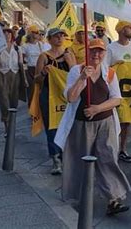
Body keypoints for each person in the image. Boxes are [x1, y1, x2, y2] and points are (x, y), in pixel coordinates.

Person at [55, 38, 131, 216]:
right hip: (81, 125)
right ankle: (76, 197)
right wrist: (82, 79)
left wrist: (97, 108)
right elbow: (71, 98)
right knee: (78, 161)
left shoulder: (110, 73)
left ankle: (114, 199)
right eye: (93, 51)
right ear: (87, 52)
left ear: (104, 53)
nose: (96, 54)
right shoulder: (76, 70)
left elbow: (116, 99)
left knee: (108, 159)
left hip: (105, 123)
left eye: (100, 51)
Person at [35, 28, 76, 175]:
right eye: (56, 36)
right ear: (50, 39)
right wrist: (43, 72)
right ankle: (56, 158)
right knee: (52, 126)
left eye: (62, 36)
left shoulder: (69, 54)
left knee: (68, 125)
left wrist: (69, 62)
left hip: (66, 94)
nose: (60, 39)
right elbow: (36, 79)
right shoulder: (44, 56)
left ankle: (67, 155)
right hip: (49, 95)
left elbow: (75, 74)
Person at [105, 21, 131, 163]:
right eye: (129, 27)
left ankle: (122, 149)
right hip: (114, 91)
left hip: (130, 91)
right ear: (121, 29)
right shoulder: (110, 48)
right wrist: (115, 66)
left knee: (126, 121)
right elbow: (104, 68)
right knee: (113, 120)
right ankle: (111, 148)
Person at [0, 25, 23, 134]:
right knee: (4, 102)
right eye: (4, 34)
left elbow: (20, 63)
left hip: (15, 75)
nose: (7, 35)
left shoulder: (17, 48)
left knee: (14, 102)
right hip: (2, 75)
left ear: (12, 35)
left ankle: (12, 124)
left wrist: (24, 79)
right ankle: (6, 124)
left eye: (9, 33)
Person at [22, 31, 49, 106]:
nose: (37, 34)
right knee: (31, 89)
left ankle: (39, 106)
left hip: (40, 67)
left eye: (37, 33)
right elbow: (22, 59)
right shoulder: (25, 46)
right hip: (30, 68)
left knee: (41, 88)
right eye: (34, 33)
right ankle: (31, 107)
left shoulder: (40, 45)